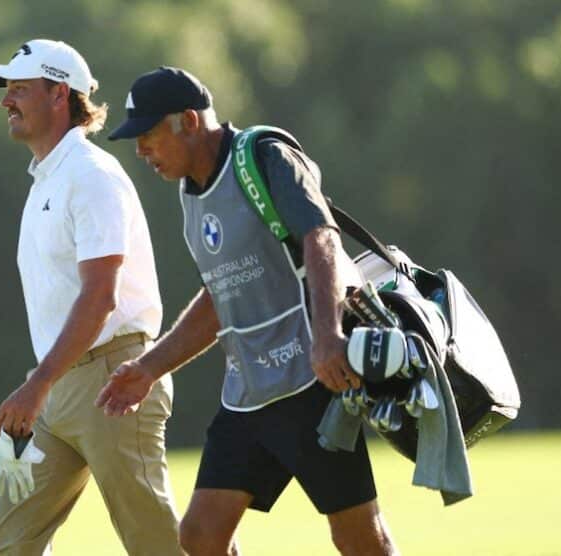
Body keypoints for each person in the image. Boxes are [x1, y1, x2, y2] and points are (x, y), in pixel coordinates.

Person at [96, 66, 399, 556]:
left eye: (149, 134)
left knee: (359, 536)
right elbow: (218, 296)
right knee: (201, 535)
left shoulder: (265, 157)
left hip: (310, 381)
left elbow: (320, 237)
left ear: (189, 121)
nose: (141, 150)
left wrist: (328, 336)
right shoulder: (189, 192)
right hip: (247, 392)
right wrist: (149, 367)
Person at [0, 42, 183, 555]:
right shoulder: (48, 178)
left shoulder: (91, 175)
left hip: (115, 380)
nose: (8, 101)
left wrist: (38, 383)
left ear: (59, 95)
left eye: (20, 90)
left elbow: (100, 297)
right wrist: (43, 383)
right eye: (8, 91)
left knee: (155, 544)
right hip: (57, 384)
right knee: (9, 546)